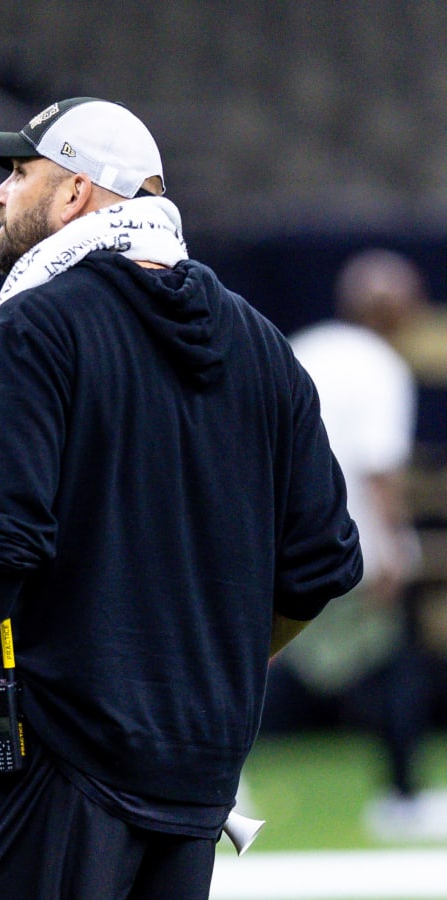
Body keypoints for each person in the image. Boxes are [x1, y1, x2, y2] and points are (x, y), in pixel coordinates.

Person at [0, 97, 362, 898]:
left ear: (79, 193)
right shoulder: (262, 345)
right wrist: (195, 674)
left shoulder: (36, 325)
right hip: (196, 769)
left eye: (19, 172)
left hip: (54, 761)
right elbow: (322, 561)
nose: (2, 195)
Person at [263, 249, 438, 839]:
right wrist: (393, 548)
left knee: (286, 662)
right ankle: (403, 798)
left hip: (283, 541)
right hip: (349, 548)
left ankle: (213, 770)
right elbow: (378, 469)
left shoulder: (305, 347)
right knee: (389, 668)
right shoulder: (380, 367)